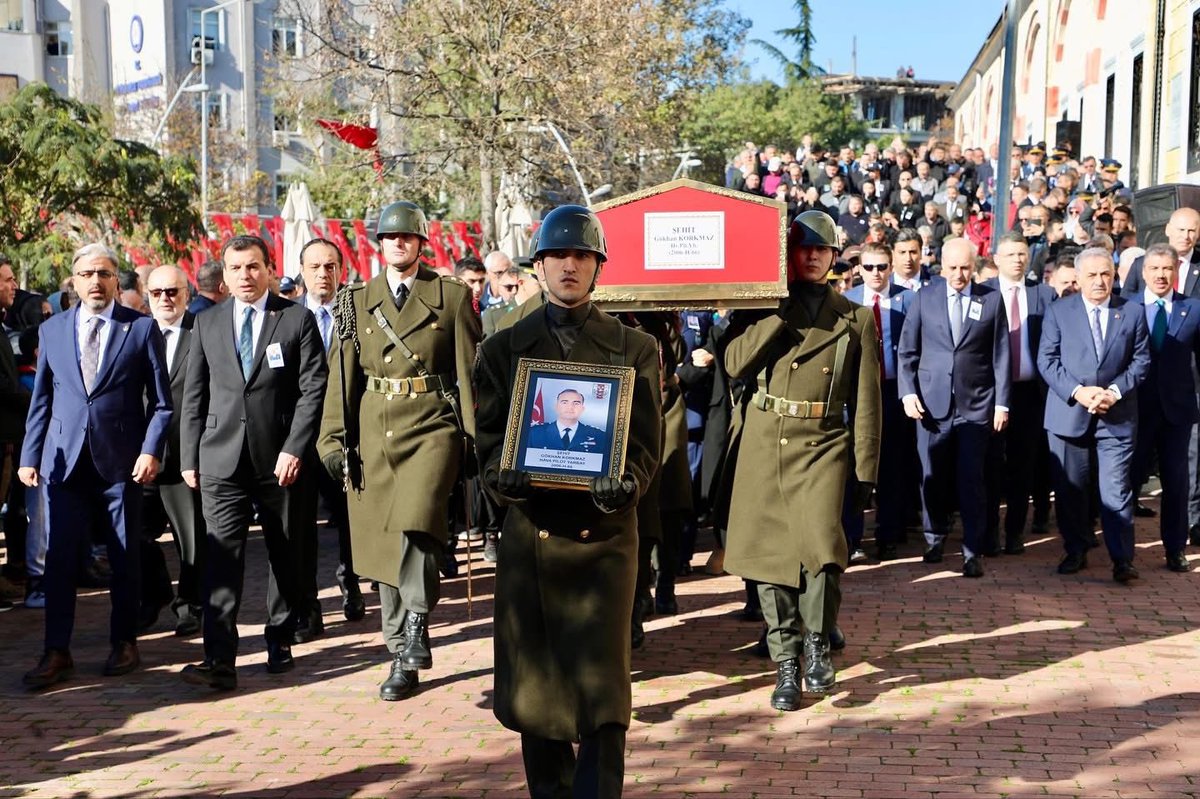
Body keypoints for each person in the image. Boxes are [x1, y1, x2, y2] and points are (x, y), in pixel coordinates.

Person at [474, 204, 661, 797]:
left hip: (603, 539)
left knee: (602, 694)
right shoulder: (502, 349)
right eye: (558, 254)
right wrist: (503, 479)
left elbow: (647, 445)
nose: (570, 265)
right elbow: (486, 443)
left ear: (599, 266)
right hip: (533, 537)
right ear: (539, 265)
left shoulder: (634, 347)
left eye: (583, 255)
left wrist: (626, 483)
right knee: (538, 695)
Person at [316, 201, 480, 701]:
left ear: (421, 243)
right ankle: (401, 653)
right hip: (374, 427)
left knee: (417, 520)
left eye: (407, 237)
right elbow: (342, 375)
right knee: (384, 544)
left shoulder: (450, 296)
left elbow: (469, 373)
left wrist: (475, 439)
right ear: (380, 245)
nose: (398, 244)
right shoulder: (356, 300)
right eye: (390, 238)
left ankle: (417, 622)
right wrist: (333, 436)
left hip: (432, 425)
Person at [722, 210, 881, 711]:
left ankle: (817, 643)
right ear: (787, 254)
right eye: (803, 248)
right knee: (770, 561)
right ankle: (786, 664)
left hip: (823, 441)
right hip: (766, 438)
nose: (812, 256)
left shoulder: (854, 317)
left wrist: (865, 468)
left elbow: (867, 401)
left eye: (821, 249)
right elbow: (734, 364)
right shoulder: (762, 306)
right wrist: (776, 311)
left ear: (834, 257)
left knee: (823, 550)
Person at [18, 243, 172, 689]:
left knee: (124, 557)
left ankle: (124, 642)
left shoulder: (140, 328)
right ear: (74, 281)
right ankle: (56, 651)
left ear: (114, 279)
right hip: (64, 465)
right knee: (60, 560)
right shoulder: (53, 329)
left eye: (103, 273)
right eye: (86, 274)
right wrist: (30, 456)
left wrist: (150, 450)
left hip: (121, 463)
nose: (95, 282)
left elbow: (162, 404)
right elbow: (41, 400)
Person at [178, 235, 328, 690]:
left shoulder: (296, 318)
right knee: (222, 558)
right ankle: (219, 659)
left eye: (253, 266)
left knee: (284, 553)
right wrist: (189, 456)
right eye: (236, 268)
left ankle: (280, 638)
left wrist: (295, 448)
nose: (245, 275)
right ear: (224, 275)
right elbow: (194, 395)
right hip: (220, 460)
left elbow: (312, 390)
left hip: (279, 460)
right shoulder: (207, 322)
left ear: (269, 269)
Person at [898, 237, 1011, 577]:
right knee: (932, 476)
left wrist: (1002, 403)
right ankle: (934, 538)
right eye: (953, 268)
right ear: (941, 267)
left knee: (971, 479)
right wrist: (908, 393)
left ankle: (972, 550)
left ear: (974, 266)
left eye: (965, 268)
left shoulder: (991, 299)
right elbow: (907, 351)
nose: (959, 275)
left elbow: (1001, 354)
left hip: (976, 405)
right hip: (931, 406)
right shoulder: (925, 298)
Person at [1038, 247, 1150, 582]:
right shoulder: (1059, 311)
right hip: (1069, 412)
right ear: (1078, 277)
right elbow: (1047, 360)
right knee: (1071, 488)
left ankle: (1122, 560)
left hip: (1116, 415)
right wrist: (1078, 391)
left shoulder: (1132, 312)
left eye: (1106, 274)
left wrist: (1113, 392)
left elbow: (1141, 360)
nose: (1100, 281)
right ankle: (1075, 549)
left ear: (1114, 276)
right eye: (1092, 275)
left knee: (1115, 489)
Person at [295, 238, 364, 641]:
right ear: (302, 272)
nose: (323, 274)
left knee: (349, 516)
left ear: (342, 270)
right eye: (315, 267)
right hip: (302, 438)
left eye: (330, 266)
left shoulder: (355, 315)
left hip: (346, 436)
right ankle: (309, 607)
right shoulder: (287, 317)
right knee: (302, 524)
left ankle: (351, 581)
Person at [139, 265, 206, 637]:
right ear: (147, 296)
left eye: (172, 291)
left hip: (185, 455)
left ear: (187, 294)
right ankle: (156, 592)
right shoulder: (135, 334)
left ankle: (190, 605)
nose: (165, 298)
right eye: (157, 292)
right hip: (142, 456)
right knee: (135, 533)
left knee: (191, 540)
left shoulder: (204, 331)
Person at [984, 232, 1057, 553]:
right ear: (996, 259)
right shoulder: (983, 293)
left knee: (1023, 466)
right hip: (990, 394)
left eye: (1022, 254)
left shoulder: (1045, 294)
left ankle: (1014, 533)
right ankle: (988, 533)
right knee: (989, 466)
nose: (1017, 259)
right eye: (1011, 254)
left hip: (1030, 394)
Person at [1130, 244, 1200, 573]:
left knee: (1176, 481)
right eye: (1154, 268)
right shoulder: (1126, 307)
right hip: (1134, 409)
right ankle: (1122, 550)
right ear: (1144, 272)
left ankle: (1175, 549)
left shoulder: (1193, 308)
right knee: (1128, 479)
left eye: (1167, 268)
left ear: (1176, 272)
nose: (1161, 275)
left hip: (1177, 411)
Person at [844, 241, 915, 560]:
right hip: (858, 393)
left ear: (891, 267)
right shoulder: (847, 301)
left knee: (892, 465)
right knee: (856, 465)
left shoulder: (909, 300)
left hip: (894, 391)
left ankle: (889, 534)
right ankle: (853, 537)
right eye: (869, 267)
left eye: (882, 267)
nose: (876, 273)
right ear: (859, 268)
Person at [525, 387, 611, 463]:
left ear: (582, 409)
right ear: (556, 407)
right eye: (564, 402)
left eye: (576, 403)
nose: (570, 407)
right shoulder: (534, 433)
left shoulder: (599, 436)